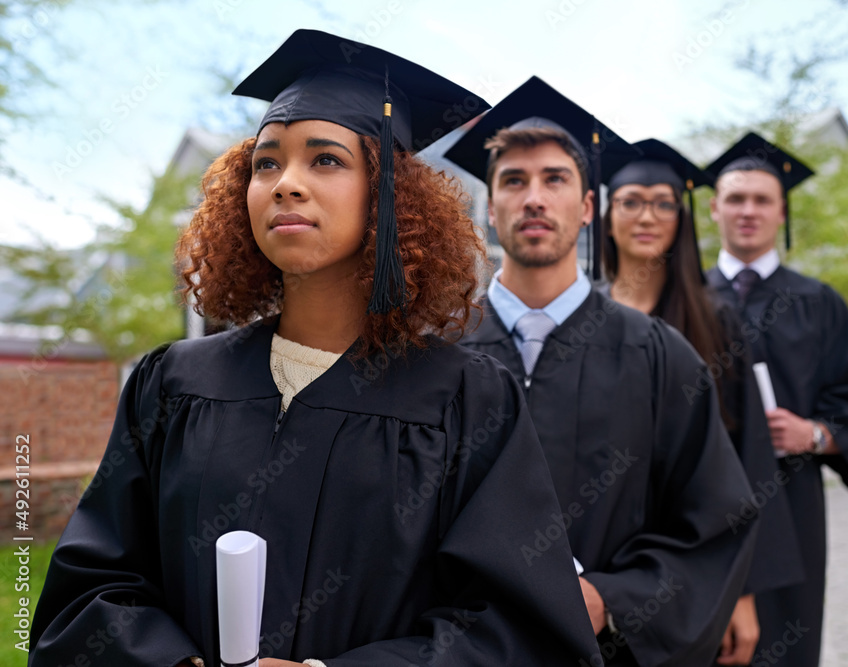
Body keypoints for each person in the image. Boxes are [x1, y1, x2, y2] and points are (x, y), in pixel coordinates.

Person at [28, 30, 602, 667]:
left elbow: (521, 631)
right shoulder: (174, 383)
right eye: (266, 163)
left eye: (325, 160)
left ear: (390, 197)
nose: (285, 184)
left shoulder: (466, 401)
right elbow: (87, 593)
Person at [445, 76, 758, 667]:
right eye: (514, 181)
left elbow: (712, 523)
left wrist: (611, 598)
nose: (534, 198)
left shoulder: (659, 355)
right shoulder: (436, 354)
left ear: (588, 207)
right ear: (491, 208)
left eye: (555, 179)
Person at [601, 139, 805, 666]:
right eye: (630, 201)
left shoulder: (717, 320)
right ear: (605, 214)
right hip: (593, 556)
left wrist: (744, 589)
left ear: (683, 217)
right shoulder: (581, 318)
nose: (647, 216)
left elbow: (750, 459)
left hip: (693, 560)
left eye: (664, 202)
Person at [704, 132, 848, 667]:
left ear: (782, 211)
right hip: (699, 502)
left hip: (790, 498)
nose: (748, 211)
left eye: (762, 200)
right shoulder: (685, 295)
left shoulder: (819, 302)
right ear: (714, 208)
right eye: (735, 198)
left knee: (786, 639)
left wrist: (814, 434)